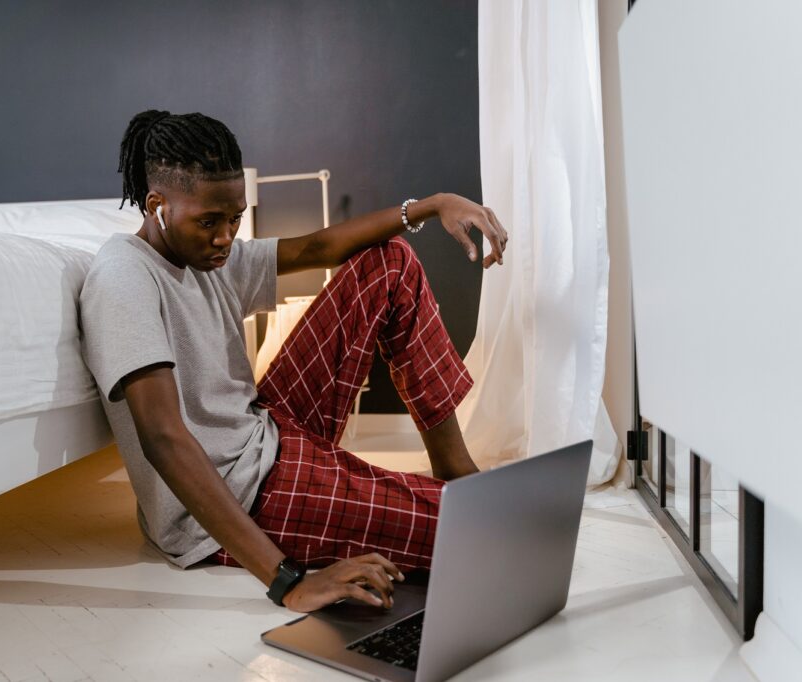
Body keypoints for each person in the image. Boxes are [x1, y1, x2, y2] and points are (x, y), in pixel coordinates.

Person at [79, 110, 508, 614]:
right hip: (241, 495)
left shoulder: (208, 255)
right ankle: (435, 501)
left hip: (267, 432)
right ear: (157, 206)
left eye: (234, 218)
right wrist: (288, 581)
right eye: (209, 222)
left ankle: (453, 466)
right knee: (487, 528)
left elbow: (319, 246)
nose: (225, 237)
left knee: (389, 262)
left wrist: (434, 205)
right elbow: (164, 440)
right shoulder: (124, 277)